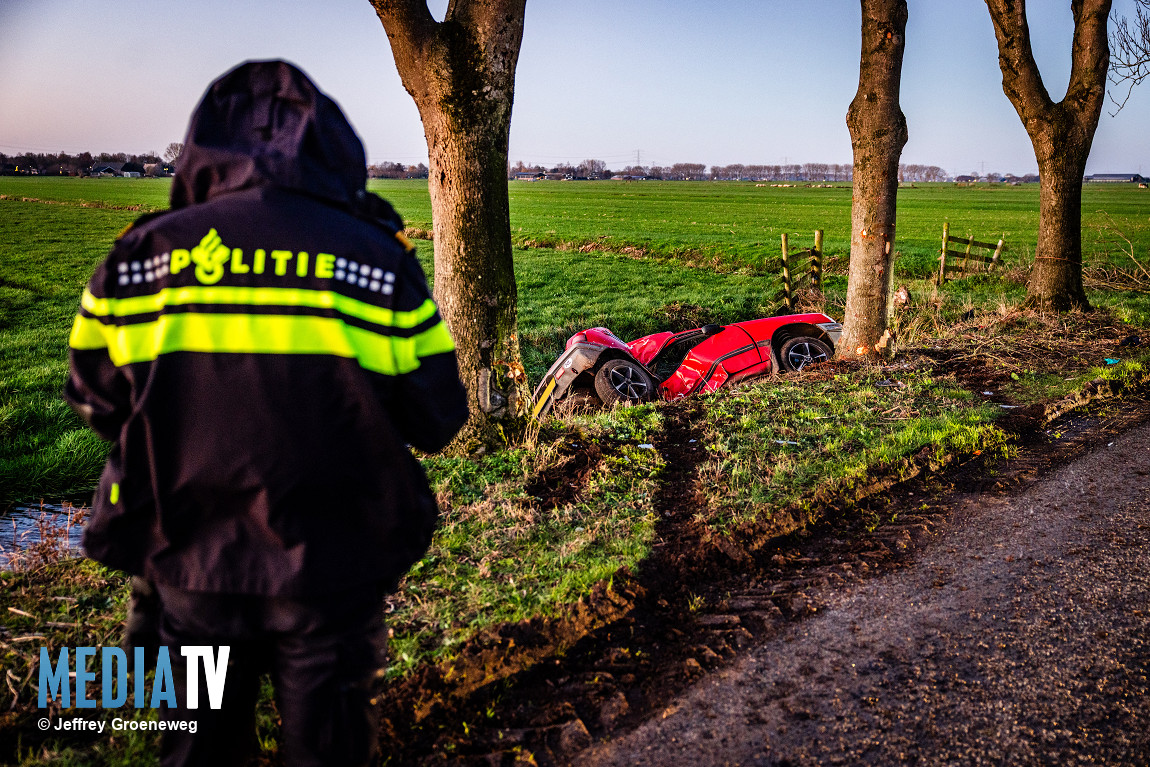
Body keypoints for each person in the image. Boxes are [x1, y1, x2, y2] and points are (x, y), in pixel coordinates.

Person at [65, 60, 468, 766]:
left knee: (197, 752)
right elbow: (438, 416)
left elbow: (97, 401)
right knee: (326, 750)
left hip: (188, 562)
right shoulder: (378, 261)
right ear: (332, 146)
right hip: (332, 568)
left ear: (200, 145)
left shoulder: (139, 259)